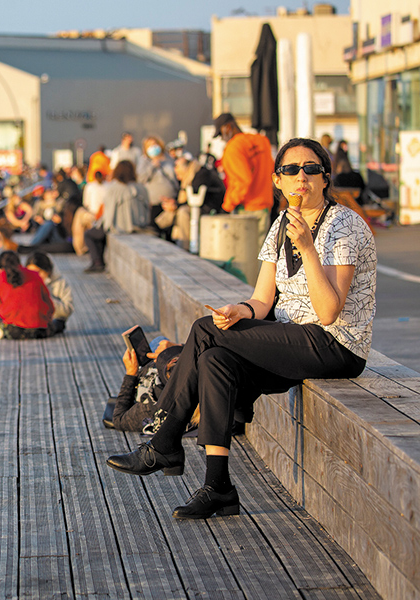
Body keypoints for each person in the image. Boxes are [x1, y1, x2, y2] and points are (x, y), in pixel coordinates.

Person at [106, 138, 377, 520]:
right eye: (291, 170)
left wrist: (309, 248)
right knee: (216, 359)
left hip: (335, 344)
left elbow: (329, 312)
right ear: (277, 181)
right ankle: (219, 488)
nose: (302, 177)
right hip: (291, 337)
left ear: (325, 177)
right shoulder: (282, 223)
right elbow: (263, 300)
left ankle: (164, 440)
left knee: (203, 330)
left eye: (312, 169)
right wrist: (240, 310)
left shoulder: (344, 225)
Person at [0, 251, 54, 397]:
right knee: (57, 325)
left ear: (0, 268)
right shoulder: (34, 275)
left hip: (15, 329)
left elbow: (1, 311)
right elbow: (49, 304)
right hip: (40, 329)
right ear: (19, 263)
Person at [213, 113, 275, 242]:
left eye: (221, 134)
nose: (222, 139)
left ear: (227, 128)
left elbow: (242, 181)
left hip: (246, 209)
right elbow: (272, 171)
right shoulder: (262, 141)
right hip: (264, 205)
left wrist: (227, 206)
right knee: (262, 254)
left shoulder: (233, 147)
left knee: (245, 255)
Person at [106, 337, 186, 432]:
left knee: (157, 343)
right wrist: (180, 347)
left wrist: (131, 374)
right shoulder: (194, 374)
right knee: (160, 341)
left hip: (143, 379)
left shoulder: (150, 407)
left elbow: (118, 420)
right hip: (161, 372)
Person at [83, 160, 149, 272]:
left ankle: (97, 262)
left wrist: (103, 225)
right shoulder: (141, 188)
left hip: (119, 226)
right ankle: (99, 262)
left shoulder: (114, 188)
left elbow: (108, 214)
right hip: (139, 224)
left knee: (89, 234)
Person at [138, 136, 178, 240]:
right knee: (155, 232)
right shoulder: (144, 162)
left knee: (170, 232)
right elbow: (141, 178)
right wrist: (152, 166)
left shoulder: (168, 159)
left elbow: (175, 178)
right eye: (149, 146)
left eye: (154, 144)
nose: (153, 147)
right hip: (153, 202)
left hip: (169, 201)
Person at [25, 251, 72, 335]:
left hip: (53, 320)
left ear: (48, 270)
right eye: (31, 272)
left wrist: (45, 299)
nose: (35, 276)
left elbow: (68, 309)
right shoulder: (25, 283)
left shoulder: (60, 282)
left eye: (38, 272)